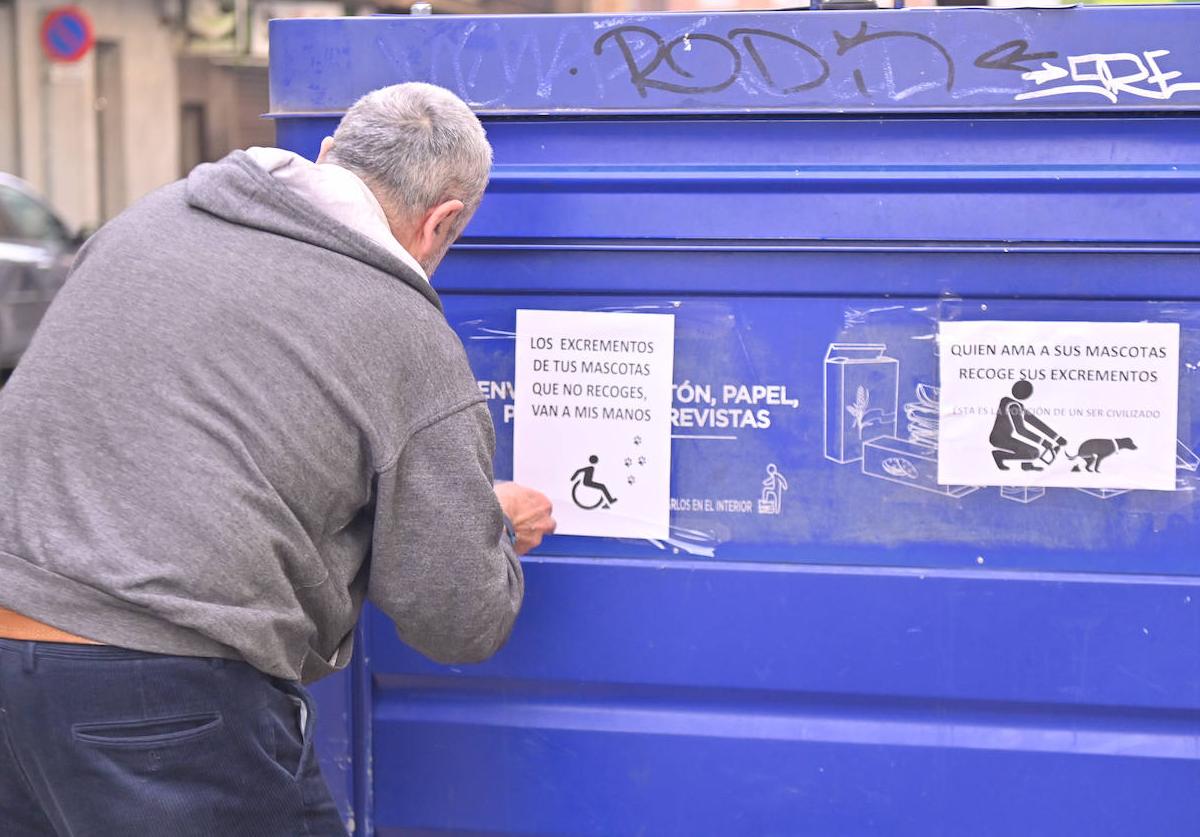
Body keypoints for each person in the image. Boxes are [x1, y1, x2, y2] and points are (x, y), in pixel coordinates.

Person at [0, 82, 555, 836]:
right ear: (444, 220)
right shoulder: (402, 328)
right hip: (156, 690)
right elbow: (455, 617)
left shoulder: (151, 220)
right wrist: (487, 522)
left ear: (326, 155)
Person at [989, 380, 1067, 471]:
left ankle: (1026, 465)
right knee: (1034, 452)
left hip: (1002, 436)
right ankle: (999, 455)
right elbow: (1021, 430)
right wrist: (1043, 442)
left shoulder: (1010, 401)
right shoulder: (1013, 405)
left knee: (1031, 449)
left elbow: (1033, 421)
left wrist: (1056, 438)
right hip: (1000, 439)